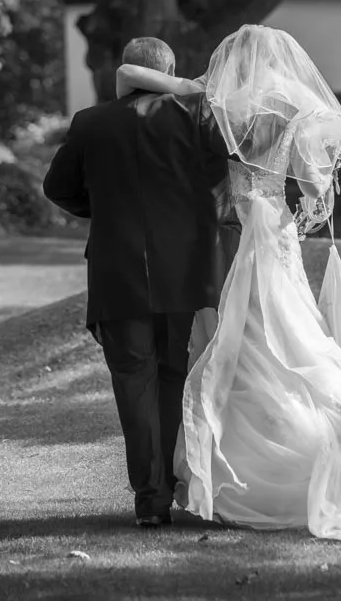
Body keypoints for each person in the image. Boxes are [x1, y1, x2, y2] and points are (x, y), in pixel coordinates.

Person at [115, 24, 341, 542]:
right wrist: (318, 199)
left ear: (233, 59)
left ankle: (237, 472)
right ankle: (324, 440)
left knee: (235, 336)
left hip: (230, 231)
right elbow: (315, 184)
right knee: (287, 329)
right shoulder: (296, 108)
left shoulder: (218, 105)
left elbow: (128, 75)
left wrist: (189, 85)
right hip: (274, 225)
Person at [42, 37, 230, 527]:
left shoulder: (90, 122)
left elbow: (56, 188)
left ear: (128, 73)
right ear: (167, 72)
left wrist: (100, 209)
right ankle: (163, 490)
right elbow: (217, 184)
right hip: (183, 271)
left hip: (116, 269)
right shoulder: (198, 120)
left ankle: (150, 499)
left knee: (132, 381)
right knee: (171, 377)